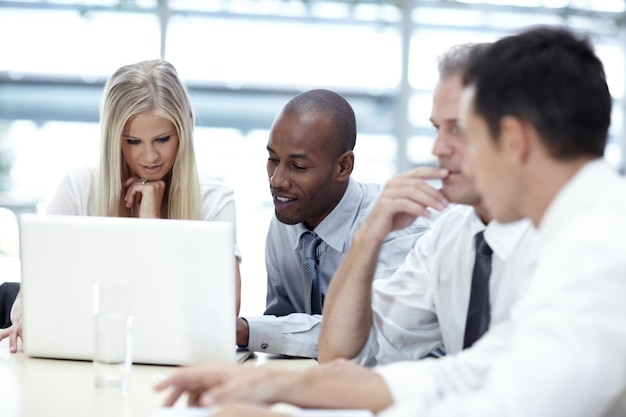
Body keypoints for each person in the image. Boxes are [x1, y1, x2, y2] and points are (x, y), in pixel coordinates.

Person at [154, 26, 626, 417]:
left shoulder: (598, 251)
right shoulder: (571, 230)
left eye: (467, 133)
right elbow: (469, 372)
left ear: (514, 140)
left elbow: (503, 406)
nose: (441, 152)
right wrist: (272, 386)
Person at [0, 59, 242, 353]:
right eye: (133, 141)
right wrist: (30, 319)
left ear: (185, 127)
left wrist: (150, 225)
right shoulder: (78, 188)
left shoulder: (214, 201)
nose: (150, 156)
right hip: (83, 356)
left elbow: (222, 320)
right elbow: (35, 298)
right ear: (113, 138)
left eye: (163, 139)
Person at [317, 42, 536, 366]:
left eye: (457, 128)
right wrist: (367, 238)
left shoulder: (558, 239)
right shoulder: (451, 232)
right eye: (437, 129)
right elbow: (339, 353)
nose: (438, 149)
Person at [236, 89, 429, 359]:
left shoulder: (395, 229)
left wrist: (248, 330)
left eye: (298, 166)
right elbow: (281, 320)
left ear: (343, 167)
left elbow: (369, 339)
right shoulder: (286, 220)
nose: (277, 180)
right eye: (273, 160)